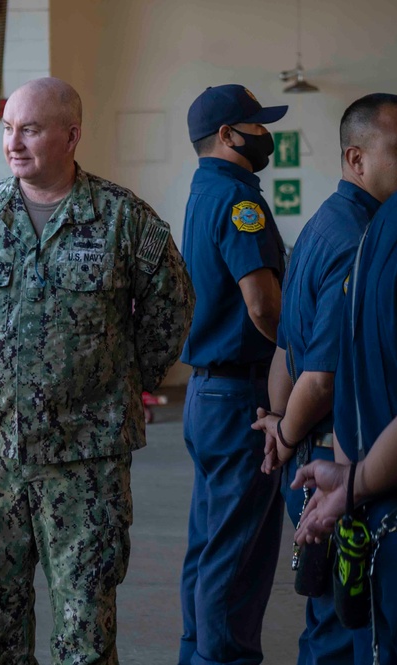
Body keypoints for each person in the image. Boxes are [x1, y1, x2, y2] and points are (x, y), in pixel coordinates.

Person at [0, 77, 194, 664]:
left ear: (72, 136)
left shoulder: (122, 219)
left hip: (87, 466)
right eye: (9, 128)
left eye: (31, 129)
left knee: (87, 633)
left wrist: (129, 380)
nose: (14, 143)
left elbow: (173, 305)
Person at [252, 93, 397, 665]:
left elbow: (284, 353)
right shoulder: (361, 238)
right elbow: (321, 376)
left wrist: (277, 426)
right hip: (335, 460)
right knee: (346, 631)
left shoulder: (322, 221)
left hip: (312, 452)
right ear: (356, 159)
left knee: (329, 620)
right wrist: (286, 438)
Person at [178, 84, 287, 665]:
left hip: (206, 393)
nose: (266, 136)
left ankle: (199, 655)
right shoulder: (241, 202)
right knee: (236, 556)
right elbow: (264, 306)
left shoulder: (203, 192)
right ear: (227, 136)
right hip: (241, 397)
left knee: (211, 545)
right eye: (258, 126)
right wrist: (301, 358)